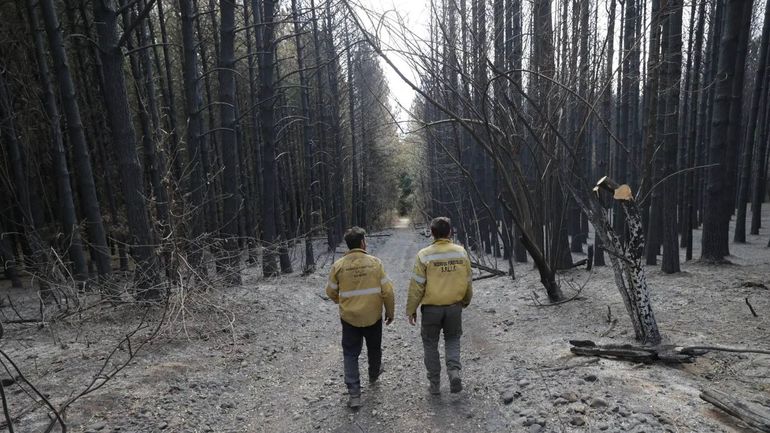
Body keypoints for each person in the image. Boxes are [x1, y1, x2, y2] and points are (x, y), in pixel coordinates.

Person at [326, 227, 395, 408]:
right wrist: (390, 312)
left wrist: (341, 302)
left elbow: (331, 291)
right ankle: (373, 374)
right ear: (363, 242)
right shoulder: (375, 263)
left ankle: (354, 393)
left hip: (349, 319)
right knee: (374, 348)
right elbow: (387, 292)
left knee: (350, 354)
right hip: (373, 316)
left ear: (348, 245)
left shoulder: (338, 266)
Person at [406, 217, 473, 395]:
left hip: (431, 310)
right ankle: (454, 372)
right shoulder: (461, 252)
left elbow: (417, 285)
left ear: (432, 232)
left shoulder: (424, 255)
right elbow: (467, 280)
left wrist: (411, 309)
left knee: (430, 344)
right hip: (454, 307)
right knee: (452, 339)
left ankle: (434, 384)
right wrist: (466, 299)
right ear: (450, 232)